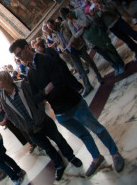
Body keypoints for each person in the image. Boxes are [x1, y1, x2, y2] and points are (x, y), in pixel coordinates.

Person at [10, 38, 125, 177]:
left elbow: (60, 83)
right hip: (60, 113)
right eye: (16, 56)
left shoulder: (47, 59)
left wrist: (45, 95)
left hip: (72, 103)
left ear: (27, 48)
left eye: (19, 53)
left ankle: (115, 153)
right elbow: (35, 99)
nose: (18, 57)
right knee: (82, 135)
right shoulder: (30, 73)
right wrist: (46, 91)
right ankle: (96, 157)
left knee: (97, 129)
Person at [0, 71, 83, 181]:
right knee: (47, 148)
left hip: (43, 120)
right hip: (31, 129)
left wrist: (40, 113)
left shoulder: (22, 85)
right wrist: (23, 127)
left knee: (58, 139)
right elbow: (11, 116)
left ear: (6, 79)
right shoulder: (3, 99)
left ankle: (71, 157)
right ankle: (59, 165)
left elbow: (37, 97)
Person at [0, 89, 36, 153]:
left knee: (22, 130)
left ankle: (33, 142)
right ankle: (29, 143)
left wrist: (4, 120)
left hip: (11, 118)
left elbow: (7, 111)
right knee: (17, 132)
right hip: (6, 121)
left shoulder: (2, 101)